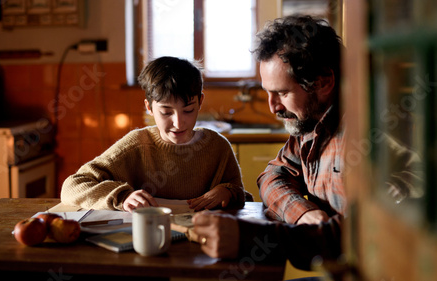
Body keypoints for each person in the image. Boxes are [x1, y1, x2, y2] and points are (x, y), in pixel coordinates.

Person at [193, 15, 344, 270]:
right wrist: (303, 213)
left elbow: (368, 234)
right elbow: (272, 176)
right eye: (268, 92)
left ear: (324, 82)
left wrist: (251, 239)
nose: (273, 107)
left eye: (282, 93)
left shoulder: (369, 131)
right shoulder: (309, 126)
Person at [61, 56, 247, 213]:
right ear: (149, 107)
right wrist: (123, 197)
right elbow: (72, 186)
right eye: (166, 112)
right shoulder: (136, 145)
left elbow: (242, 197)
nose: (178, 123)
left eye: (188, 110)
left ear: (200, 101)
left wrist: (228, 191)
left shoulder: (217, 147)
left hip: (203, 245)